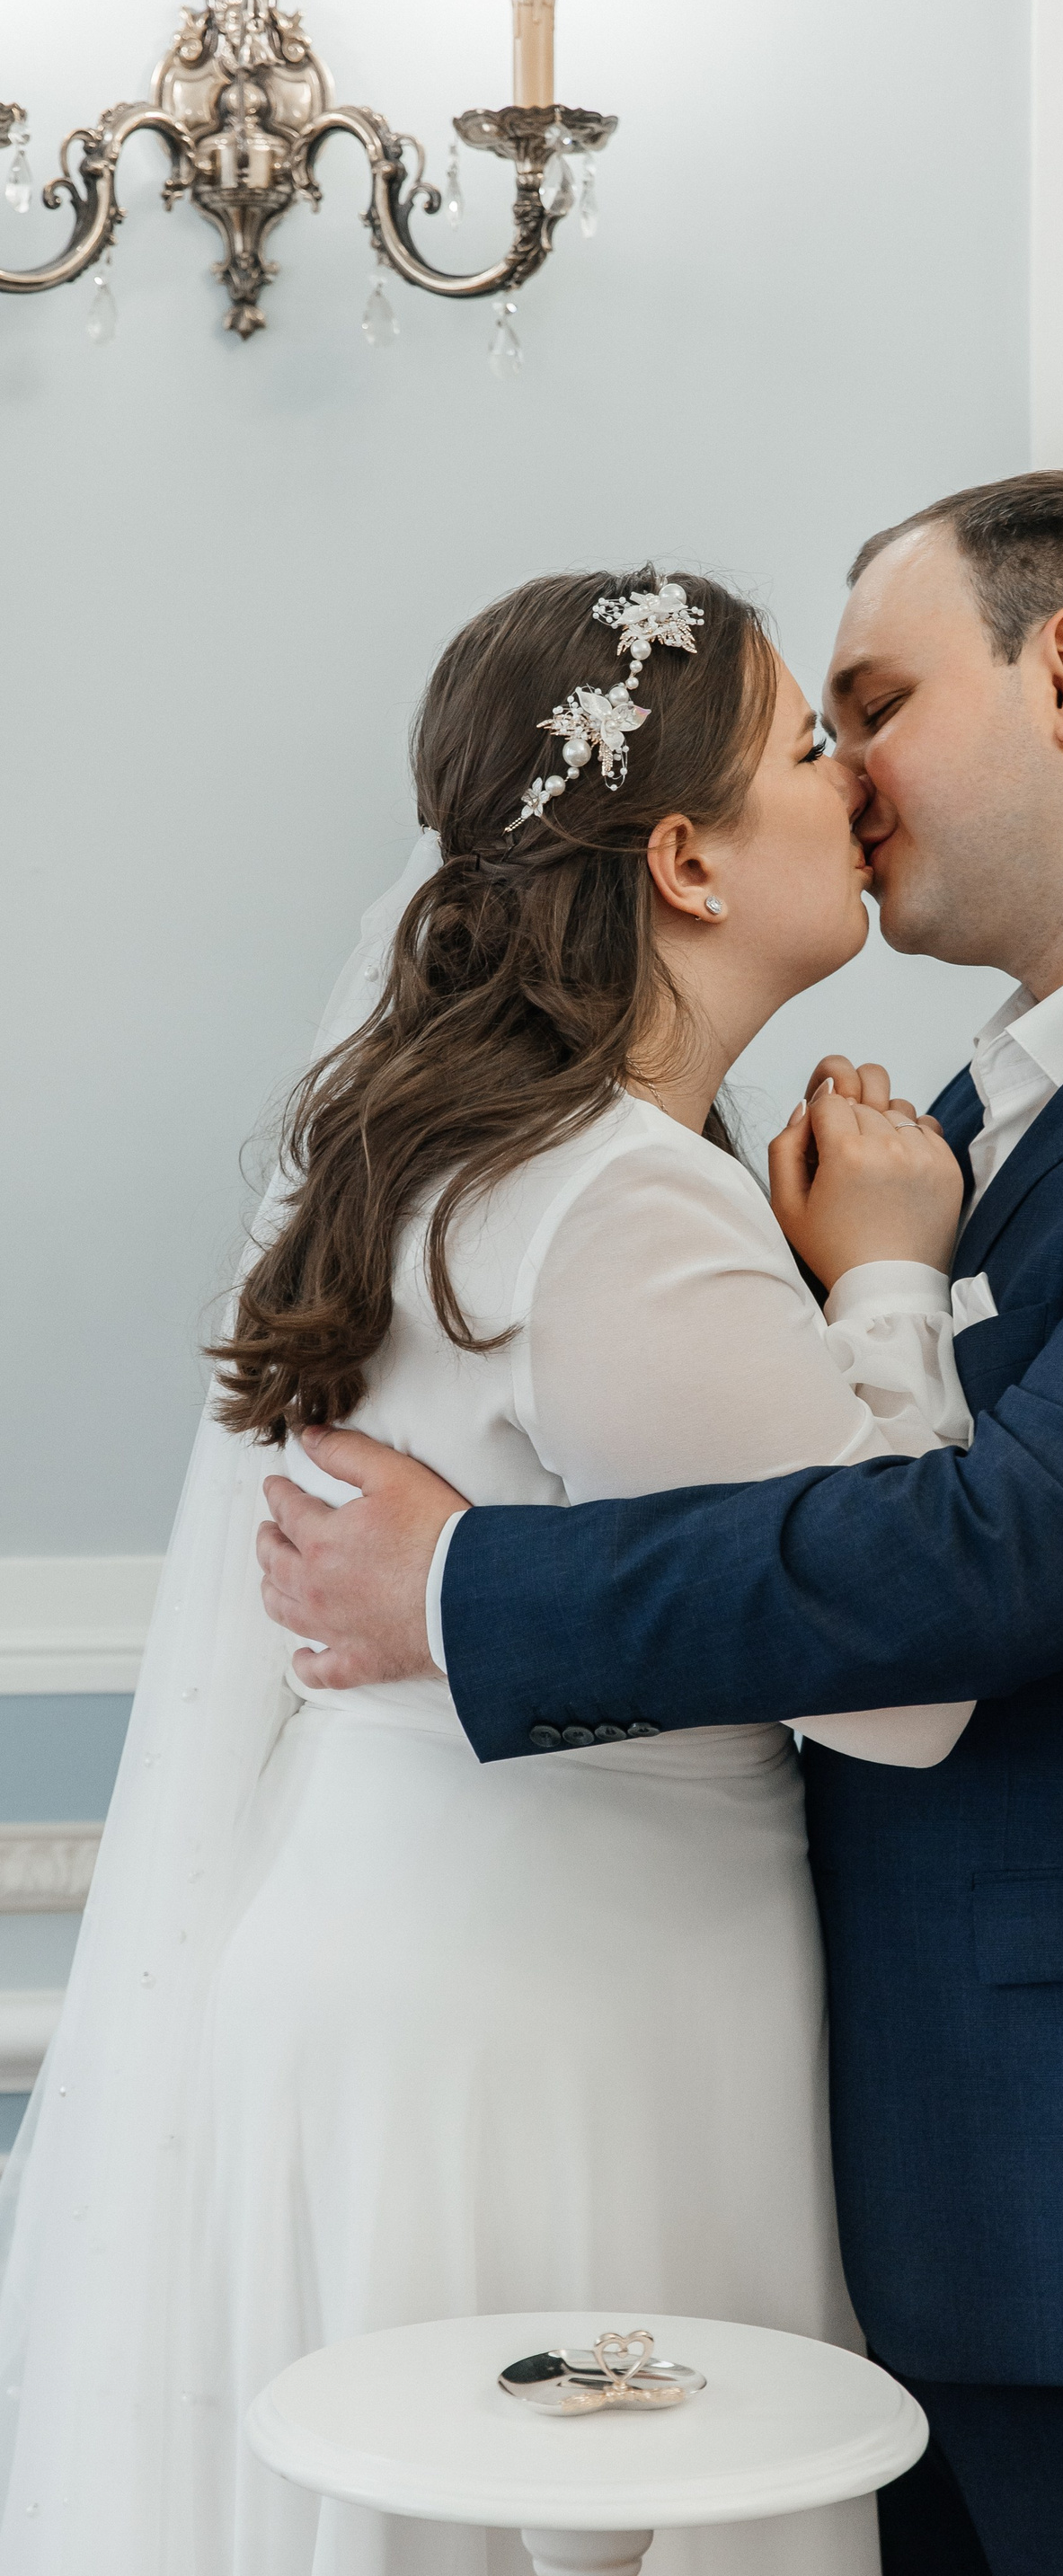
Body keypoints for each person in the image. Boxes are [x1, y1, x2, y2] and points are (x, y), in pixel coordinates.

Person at [261, 472, 1063, 2576]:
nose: (847, 777)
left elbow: (987, 1558)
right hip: (937, 2222)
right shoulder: (940, 1129)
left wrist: (466, 1589)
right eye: (822, 731)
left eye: (877, 705)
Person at [0, 567, 983, 2576]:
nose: (854, 780)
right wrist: (889, 1279)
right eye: (811, 744)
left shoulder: (442, 1158)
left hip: (399, 1963)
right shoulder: (623, 1200)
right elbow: (903, 1685)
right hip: (572, 2024)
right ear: (688, 860)